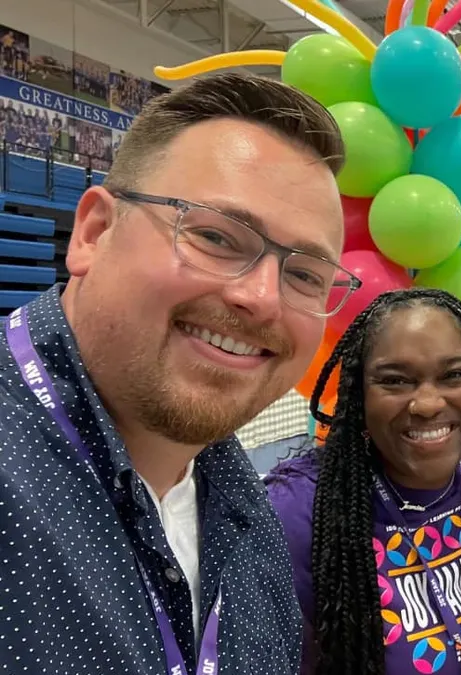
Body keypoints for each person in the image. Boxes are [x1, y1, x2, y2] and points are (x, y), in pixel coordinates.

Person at [0, 73, 352, 673]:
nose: (263, 298)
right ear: (94, 233)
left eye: (304, 275)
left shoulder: (243, 503)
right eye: (216, 236)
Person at [265, 288, 461, 675]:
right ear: (359, 397)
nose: (428, 403)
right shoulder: (297, 511)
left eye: (454, 375)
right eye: (396, 381)